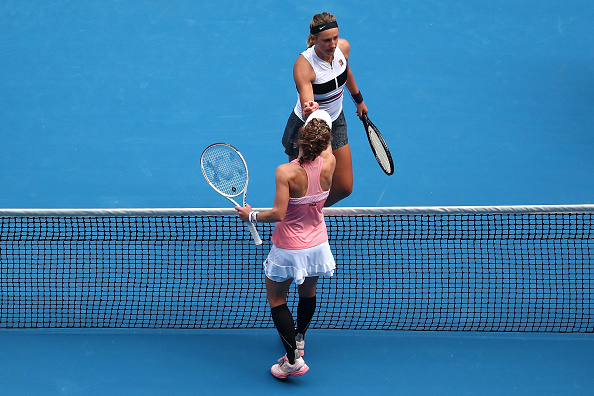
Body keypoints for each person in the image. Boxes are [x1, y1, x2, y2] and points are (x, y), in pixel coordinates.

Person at [236, 110, 336, 379]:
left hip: (289, 248)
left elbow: (279, 213)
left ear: (300, 139)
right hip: (317, 245)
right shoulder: (330, 161)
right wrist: (317, 116)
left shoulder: (286, 172)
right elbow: (322, 138)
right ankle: (299, 339)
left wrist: (251, 215)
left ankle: (292, 360)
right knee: (308, 294)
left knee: (277, 299)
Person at [282, 11, 368, 207]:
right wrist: (310, 109)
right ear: (313, 39)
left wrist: (359, 101)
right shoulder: (304, 66)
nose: (333, 44)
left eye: (335, 38)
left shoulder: (342, 48)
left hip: (336, 121)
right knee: (299, 187)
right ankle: (295, 213)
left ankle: (309, 209)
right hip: (308, 128)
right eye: (327, 40)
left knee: (345, 187)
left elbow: (346, 71)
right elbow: (309, 107)